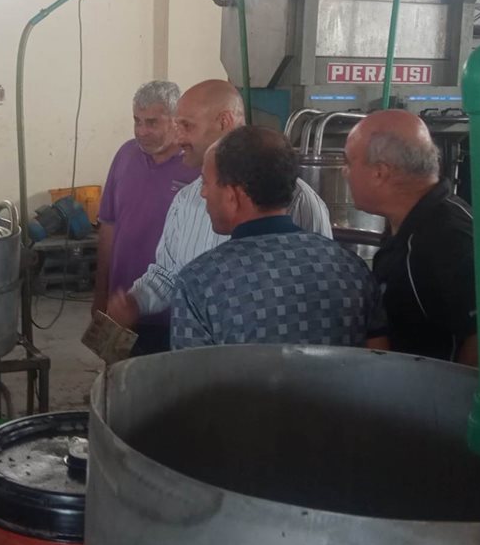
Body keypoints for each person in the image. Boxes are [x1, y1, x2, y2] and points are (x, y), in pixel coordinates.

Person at [107, 80, 332, 352]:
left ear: (224, 122)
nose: (179, 138)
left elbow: (320, 287)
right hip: (196, 360)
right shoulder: (187, 200)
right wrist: (135, 301)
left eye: (187, 126)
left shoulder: (299, 201)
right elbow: (167, 273)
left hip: (269, 362)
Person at [344, 109, 480, 366]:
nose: (345, 172)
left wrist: (457, 389)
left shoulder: (447, 237)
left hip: (437, 390)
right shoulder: (410, 222)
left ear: (380, 172)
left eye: (349, 162)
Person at [171, 127, 380, 349]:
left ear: (233, 195)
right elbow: (380, 359)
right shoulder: (352, 269)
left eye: (205, 183)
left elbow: (189, 370)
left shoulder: (199, 282)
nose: (203, 193)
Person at [93, 81, 200, 355]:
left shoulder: (195, 167)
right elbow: (108, 226)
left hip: (173, 313)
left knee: (165, 378)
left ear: (176, 121)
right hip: (121, 305)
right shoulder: (125, 155)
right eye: (137, 121)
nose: (142, 131)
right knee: (117, 373)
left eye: (152, 122)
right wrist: (101, 292)